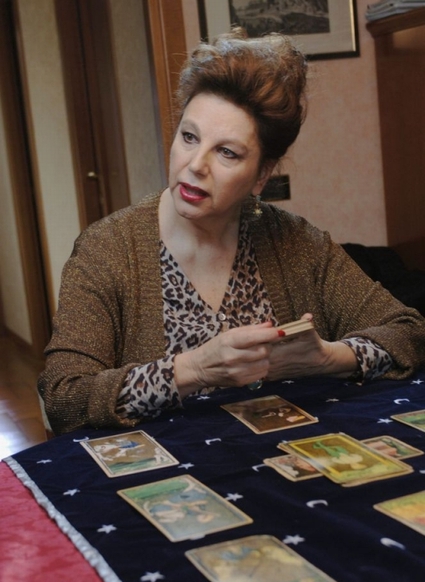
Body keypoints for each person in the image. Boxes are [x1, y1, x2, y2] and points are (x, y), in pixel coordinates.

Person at [38, 28, 425, 435]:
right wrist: (195, 369)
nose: (195, 165)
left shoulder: (295, 243)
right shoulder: (107, 249)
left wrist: (328, 358)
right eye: (189, 137)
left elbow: (409, 331)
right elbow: (64, 397)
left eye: (226, 152)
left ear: (261, 176)